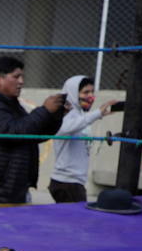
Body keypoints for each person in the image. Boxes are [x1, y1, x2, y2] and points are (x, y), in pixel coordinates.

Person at [0, 56, 67, 205]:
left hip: (15, 190)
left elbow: (33, 134)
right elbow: (12, 132)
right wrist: (44, 111)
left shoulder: (12, 105)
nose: (21, 82)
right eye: (16, 76)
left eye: (22, 77)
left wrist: (55, 115)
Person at [48, 75, 117, 203]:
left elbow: (80, 123)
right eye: (85, 92)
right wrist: (97, 114)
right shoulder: (65, 114)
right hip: (66, 182)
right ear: (73, 93)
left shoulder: (79, 115)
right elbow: (65, 128)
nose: (90, 96)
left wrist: (98, 115)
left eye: (92, 92)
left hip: (75, 182)